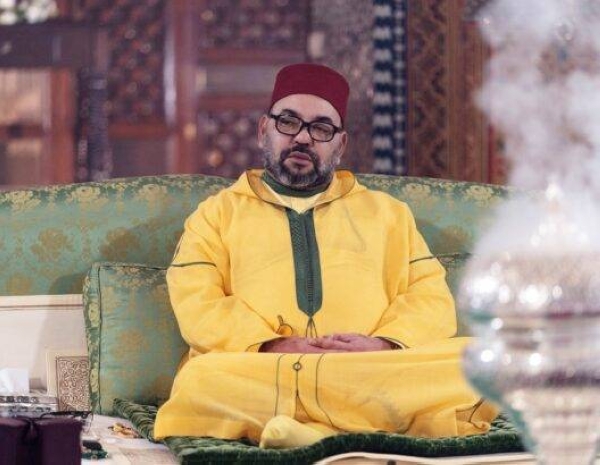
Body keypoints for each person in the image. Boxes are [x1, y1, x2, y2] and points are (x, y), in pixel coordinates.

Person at [154, 63, 497, 448]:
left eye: (321, 128)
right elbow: (197, 302)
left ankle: (308, 433)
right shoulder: (216, 214)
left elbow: (431, 299)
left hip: (366, 368)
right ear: (264, 129)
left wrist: (382, 344)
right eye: (288, 122)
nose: (302, 138)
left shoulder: (388, 214)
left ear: (340, 144)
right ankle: (356, 428)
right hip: (266, 369)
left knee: (479, 360)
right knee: (202, 379)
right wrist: (274, 345)